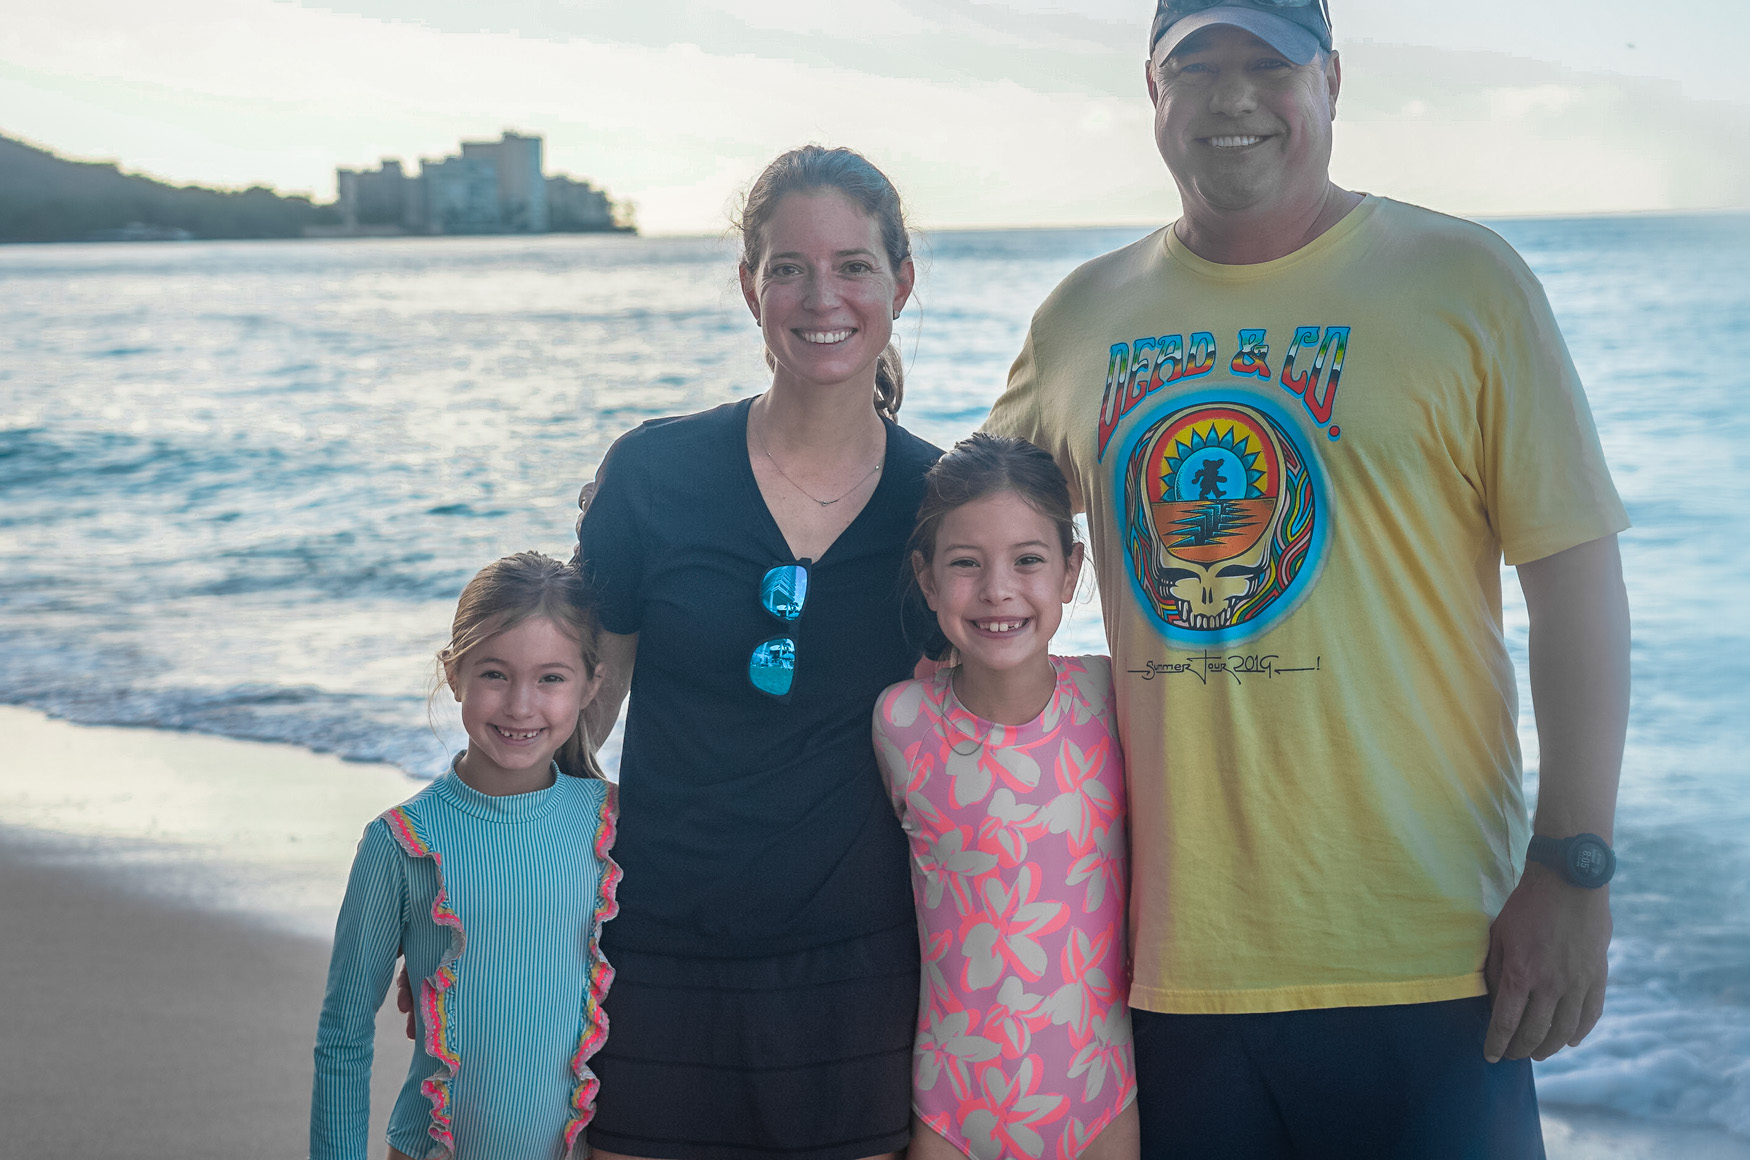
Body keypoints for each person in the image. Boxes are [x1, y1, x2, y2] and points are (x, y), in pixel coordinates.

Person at [984, 0, 1633, 1158]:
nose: (1232, 98)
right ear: (1152, 92)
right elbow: (966, 552)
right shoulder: (1080, 316)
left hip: (1428, 943)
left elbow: (1578, 592)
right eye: (1198, 67)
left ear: (1331, 80)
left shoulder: (1462, 282)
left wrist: (1574, 866)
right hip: (1165, 961)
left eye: (1266, 64)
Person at [575, 145, 942, 1160]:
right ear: (750, 286)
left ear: (899, 283)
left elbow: (985, 739)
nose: (819, 294)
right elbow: (578, 716)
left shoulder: (941, 504)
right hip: (648, 952)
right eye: (787, 266)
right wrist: (480, 881)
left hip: (861, 974)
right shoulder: (652, 473)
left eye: (853, 265)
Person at [873, 434, 1139, 1160]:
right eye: (966, 564)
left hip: (1104, 1101)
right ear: (927, 582)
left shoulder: (1111, 699)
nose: (998, 590)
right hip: (950, 1109)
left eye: (1028, 560)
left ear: (1071, 570)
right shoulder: (900, 721)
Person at [312, 552, 621, 1160]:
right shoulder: (401, 841)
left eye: (551, 678)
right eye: (495, 674)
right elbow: (344, 1035)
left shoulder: (613, 824)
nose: (521, 706)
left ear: (592, 685)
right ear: (453, 674)